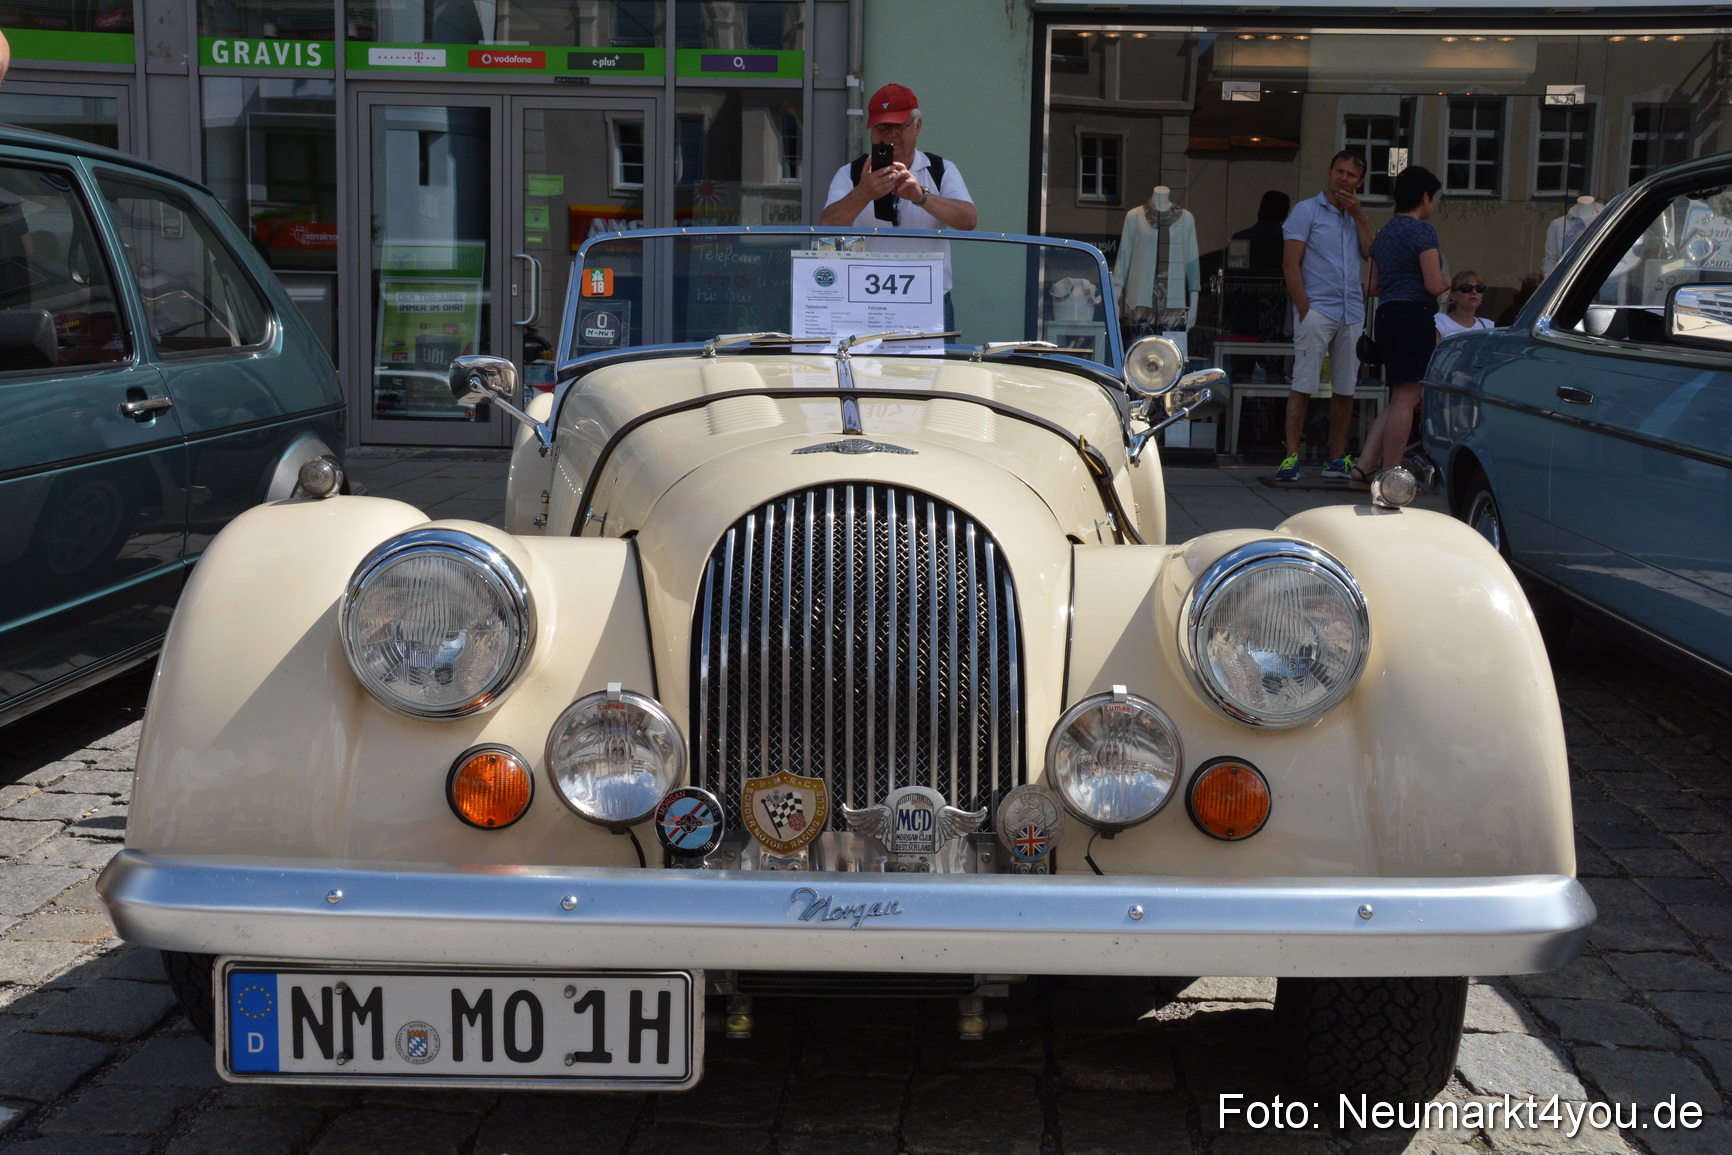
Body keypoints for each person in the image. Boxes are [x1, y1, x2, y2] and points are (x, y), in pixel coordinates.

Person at [819, 83, 977, 329]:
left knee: (933, 369)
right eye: (881, 127)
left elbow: (968, 220)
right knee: (861, 368)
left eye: (898, 127)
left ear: (917, 127)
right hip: (864, 301)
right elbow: (827, 226)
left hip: (927, 302)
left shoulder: (940, 170)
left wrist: (920, 196)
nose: (890, 136)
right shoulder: (852, 173)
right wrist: (864, 192)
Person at [1275, 151, 1375, 483]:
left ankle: (1335, 458)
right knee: (1303, 384)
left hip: (1351, 312)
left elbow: (1371, 254)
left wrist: (1359, 214)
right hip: (1317, 309)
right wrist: (1305, 309)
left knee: (1345, 388)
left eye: (1351, 175)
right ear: (1329, 172)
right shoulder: (1306, 211)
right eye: (1339, 172)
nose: (1343, 179)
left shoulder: (1355, 215)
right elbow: (1291, 264)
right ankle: (1291, 457)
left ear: (1359, 182)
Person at [1351, 165, 1450, 489]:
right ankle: (1390, 476)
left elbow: (1373, 286)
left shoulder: (1385, 234)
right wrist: (1449, 280)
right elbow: (1433, 284)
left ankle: (1364, 467)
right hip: (1413, 314)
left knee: (1398, 397)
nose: (1433, 206)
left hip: (1388, 315)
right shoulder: (1422, 232)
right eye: (1434, 199)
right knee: (1408, 398)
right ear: (1425, 197)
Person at [1435, 271, 1493, 341]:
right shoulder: (1439, 321)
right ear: (1453, 296)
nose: (1474, 292)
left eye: (1479, 288)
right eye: (1466, 288)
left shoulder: (1489, 326)